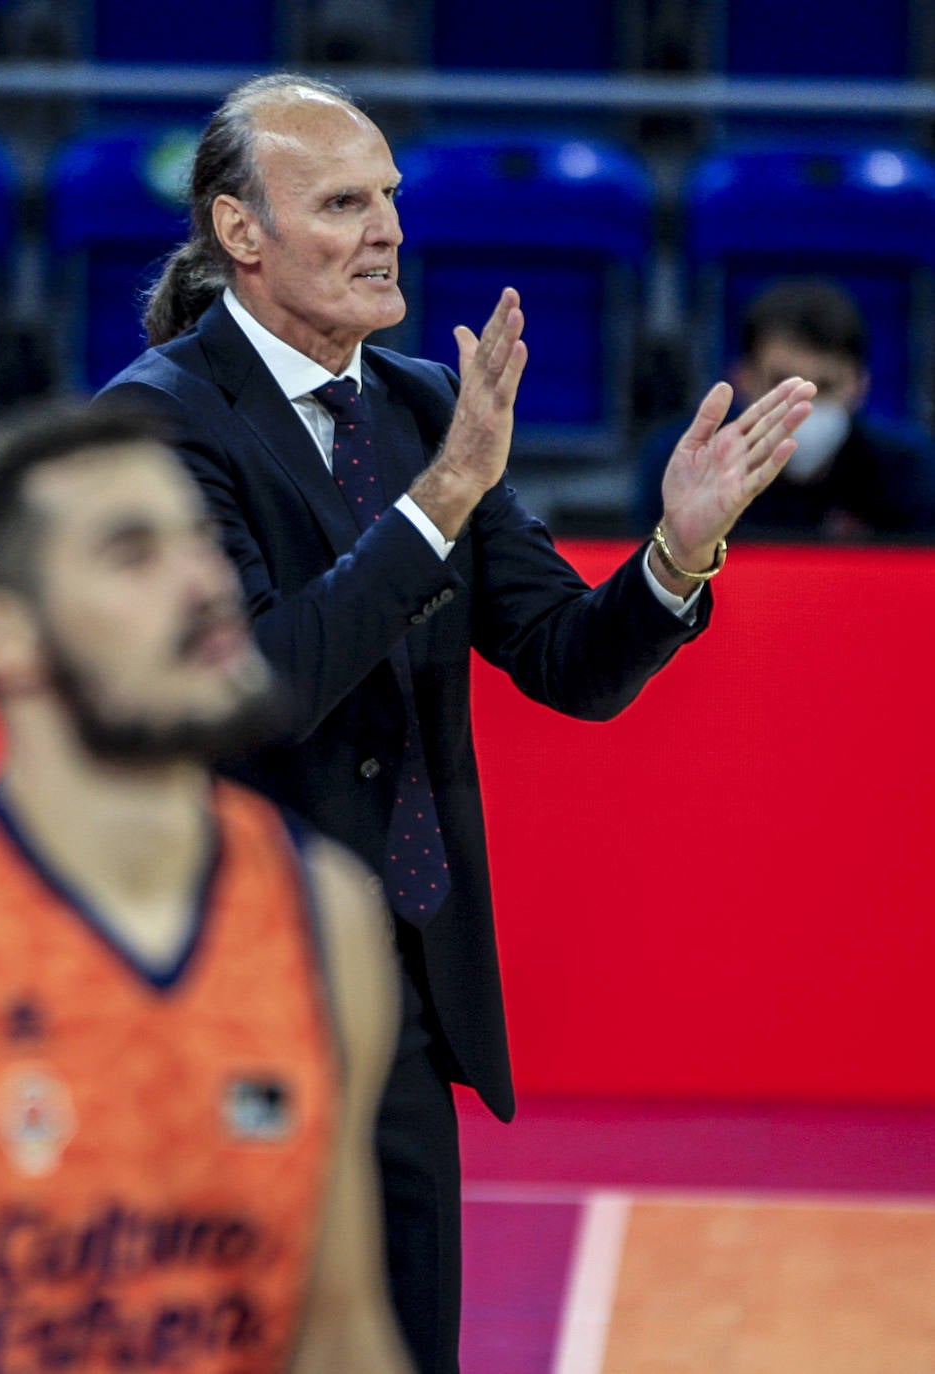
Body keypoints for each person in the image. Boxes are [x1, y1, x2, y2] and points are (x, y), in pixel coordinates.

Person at [95, 73, 815, 1373]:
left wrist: (675, 552)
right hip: (227, 986)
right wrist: (438, 503)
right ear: (240, 231)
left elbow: (566, 660)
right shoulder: (157, 421)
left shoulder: (425, 403)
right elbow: (262, 681)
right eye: (343, 202)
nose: (388, 230)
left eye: (391, 197)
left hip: (402, 985)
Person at [0, 403, 413, 1373]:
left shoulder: (325, 917)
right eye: (131, 553)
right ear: (1, 634)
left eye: (198, 538)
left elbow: (336, 1331)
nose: (205, 582)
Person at [635, 276, 935, 539]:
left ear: (860, 386)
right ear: (744, 378)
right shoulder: (688, 465)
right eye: (782, 383)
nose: (804, 407)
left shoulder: (908, 469)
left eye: (825, 387)